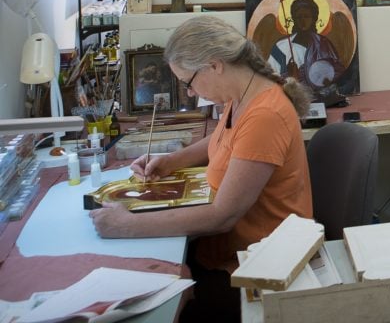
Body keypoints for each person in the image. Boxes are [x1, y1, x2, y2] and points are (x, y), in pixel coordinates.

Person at [90, 17, 313, 322]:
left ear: (214, 65)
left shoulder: (265, 114)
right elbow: (225, 140)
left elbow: (223, 216)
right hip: (229, 252)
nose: (191, 92)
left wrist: (126, 225)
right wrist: (171, 161)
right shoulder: (242, 96)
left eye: (188, 82)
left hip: (255, 266)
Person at [268, 0, 345, 90]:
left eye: (306, 16)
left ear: (314, 18)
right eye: (299, 17)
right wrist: (290, 76)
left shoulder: (323, 43)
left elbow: (338, 71)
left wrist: (326, 78)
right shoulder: (281, 47)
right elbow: (271, 77)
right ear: (294, 19)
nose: (303, 21)